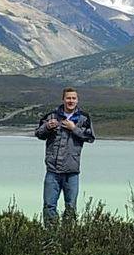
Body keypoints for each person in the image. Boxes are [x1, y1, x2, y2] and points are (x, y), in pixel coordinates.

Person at [35, 87, 95, 223]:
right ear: (63, 99)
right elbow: (39, 134)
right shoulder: (51, 116)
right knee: (49, 206)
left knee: (71, 207)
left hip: (72, 171)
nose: (71, 101)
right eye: (68, 98)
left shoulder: (83, 118)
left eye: (73, 98)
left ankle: (67, 236)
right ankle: (51, 237)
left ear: (77, 100)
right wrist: (47, 127)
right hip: (53, 170)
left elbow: (90, 137)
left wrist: (74, 129)